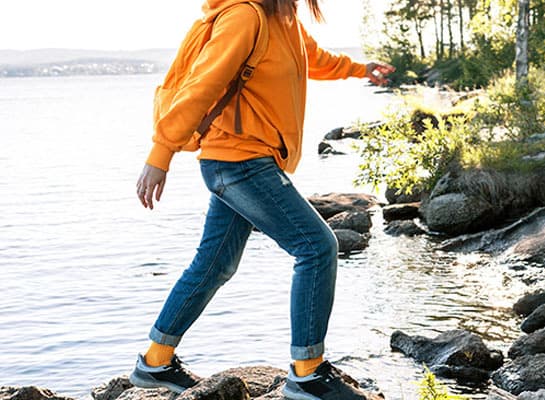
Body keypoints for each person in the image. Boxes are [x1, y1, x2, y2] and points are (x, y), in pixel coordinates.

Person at [129, 0, 395, 399]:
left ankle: (155, 361)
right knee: (317, 247)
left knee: (215, 263)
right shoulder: (245, 16)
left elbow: (314, 59)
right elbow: (203, 84)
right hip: (238, 163)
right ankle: (307, 372)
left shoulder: (281, 18)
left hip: (243, 160)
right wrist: (160, 153)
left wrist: (361, 68)